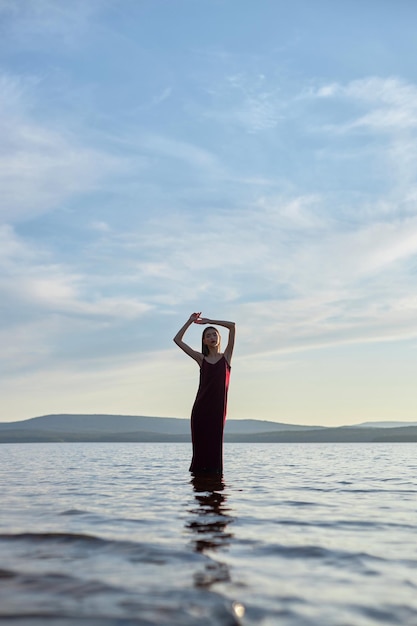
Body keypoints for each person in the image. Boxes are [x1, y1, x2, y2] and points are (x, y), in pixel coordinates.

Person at [173, 313, 236, 475]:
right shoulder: (201, 359)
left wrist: (209, 321)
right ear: (204, 341)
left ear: (219, 338)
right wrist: (189, 321)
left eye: (214, 334)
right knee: (200, 452)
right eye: (208, 336)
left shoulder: (226, 357)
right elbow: (177, 340)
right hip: (201, 410)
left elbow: (232, 325)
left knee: (215, 449)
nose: (212, 337)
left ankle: (213, 483)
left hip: (217, 411)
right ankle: (199, 485)